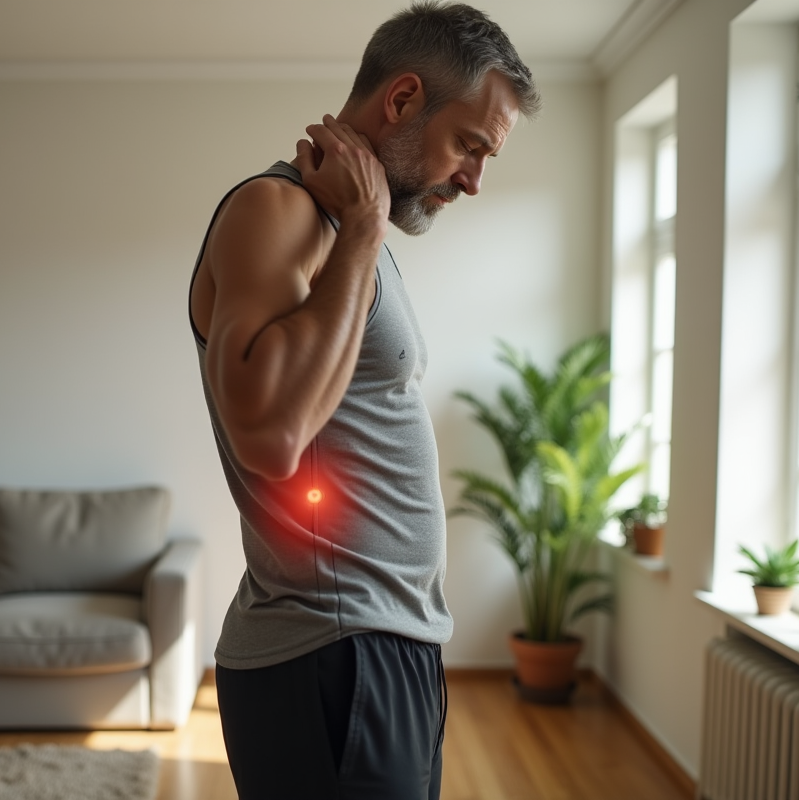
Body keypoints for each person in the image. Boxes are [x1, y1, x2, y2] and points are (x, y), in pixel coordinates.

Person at [187, 3, 539, 798]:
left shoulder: (344, 229)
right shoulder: (278, 211)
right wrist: (367, 224)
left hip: (380, 649)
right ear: (404, 98)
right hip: (333, 654)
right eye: (470, 146)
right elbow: (272, 438)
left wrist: (363, 227)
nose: (474, 181)